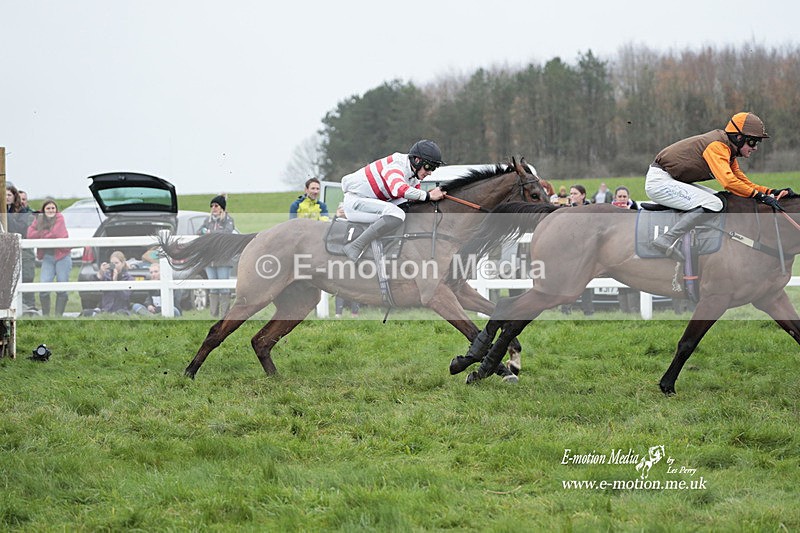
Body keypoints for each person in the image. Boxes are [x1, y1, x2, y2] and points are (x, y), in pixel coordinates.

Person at [645, 112, 788, 261]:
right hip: (660, 182)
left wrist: (771, 192)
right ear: (739, 138)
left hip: (673, 180)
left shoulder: (728, 151)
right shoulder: (718, 147)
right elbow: (729, 182)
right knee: (714, 203)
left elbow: (743, 182)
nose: (755, 148)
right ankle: (667, 239)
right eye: (753, 142)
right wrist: (760, 197)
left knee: (720, 199)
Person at [340, 139, 446, 261]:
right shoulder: (396, 165)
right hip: (355, 203)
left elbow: (413, 201)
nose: (430, 173)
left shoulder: (413, 176)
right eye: (429, 167)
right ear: (417, 160)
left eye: (434, 168)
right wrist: (429, 195)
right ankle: (356, 246)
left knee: (409, 208)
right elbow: (400, 190)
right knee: (397, 214)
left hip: (372, 200)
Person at [27, 198, 71, 316]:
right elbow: (30, 235)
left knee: (62, 287)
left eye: (53, 208)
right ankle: (46, 316)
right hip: (47, 257)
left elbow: (56, 234)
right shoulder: (39, 219)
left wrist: (41, 234)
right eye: (48, 208)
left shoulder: (60, 217)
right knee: (44, 287)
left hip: (62, 256)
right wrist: (46, 233)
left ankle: (58, 316)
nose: (51, 210)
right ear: (43, 210)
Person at [198, 194, 236, 317]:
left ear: (222, 208)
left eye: (216, 205)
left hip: (223, 259)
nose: (213, 208)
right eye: (212, 206)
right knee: (213, 288)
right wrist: (205, 232)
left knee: (224, 288)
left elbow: (227, 232)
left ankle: (224, 315)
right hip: (209, 260)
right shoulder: (207, 221)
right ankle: (213, 315)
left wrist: (210, 233)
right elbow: (200, 231)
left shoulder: (228, 220)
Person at [561, 184, 594, 316]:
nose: (572, 196)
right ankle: (565, 310)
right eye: (571, 193)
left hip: (587, 250)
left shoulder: (591, 209)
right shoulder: (566, 210)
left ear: (583, 195)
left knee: (586, 280)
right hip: (570, 250)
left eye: (575, 193)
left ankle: (588, 310)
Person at [5, 183, 37, 314]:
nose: (6, 197)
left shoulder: (22, 212)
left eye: (9, 195)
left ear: (14, 196)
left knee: (23, 278)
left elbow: (19, 229)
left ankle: (28, 308)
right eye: (4, 195)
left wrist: (5, 213)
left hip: (17, 251)